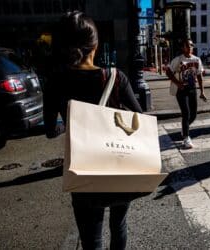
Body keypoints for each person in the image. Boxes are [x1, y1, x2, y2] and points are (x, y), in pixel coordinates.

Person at [43, 11, 143, 249]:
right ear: (95, 45)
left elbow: (49, 130)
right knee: (119, 226)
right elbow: (140, 119)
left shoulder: (54, 82)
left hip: (83, 174)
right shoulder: (116, 77)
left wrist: (68, 124)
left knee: (91, 241)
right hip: (120, 168)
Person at [166, 39, 206, 149]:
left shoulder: (197, 60)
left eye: (191, 45)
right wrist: (177, 83)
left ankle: (184, 129)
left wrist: (202, 91)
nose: (190, 47)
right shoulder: (178, 60)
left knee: (193, 115)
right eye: (187, 46)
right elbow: (168, 71)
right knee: (186, 113)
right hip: (181, 90)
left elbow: (199, 75)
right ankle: (186, 138)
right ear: (183, 47)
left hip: (192, 89)